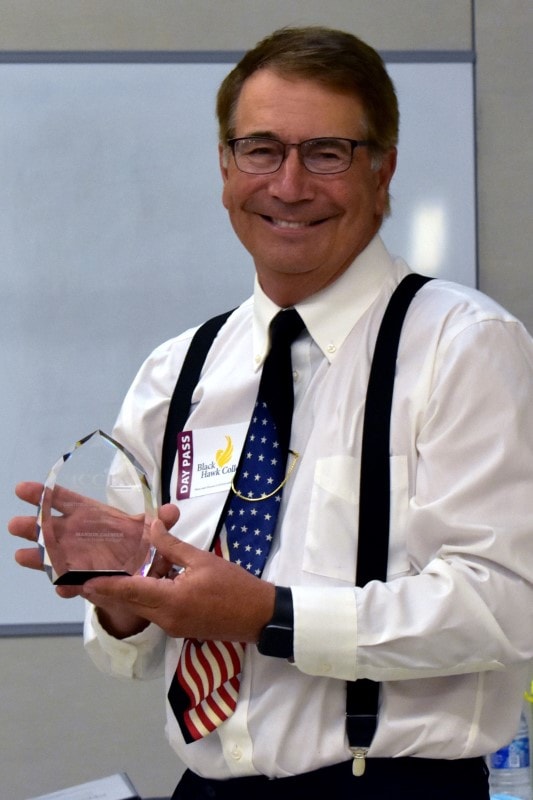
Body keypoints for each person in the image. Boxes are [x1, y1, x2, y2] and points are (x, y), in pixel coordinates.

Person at [9, 26, 533, 800]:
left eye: (326, 152)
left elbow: (505, 605)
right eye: (260, 149)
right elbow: (124, 652)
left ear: (382, 170)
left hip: (390, 788)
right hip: (208, 785)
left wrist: (268, 615)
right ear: (224, 167)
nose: (288, 185)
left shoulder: (464, 345)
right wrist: (119, 596)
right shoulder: (177, 369)